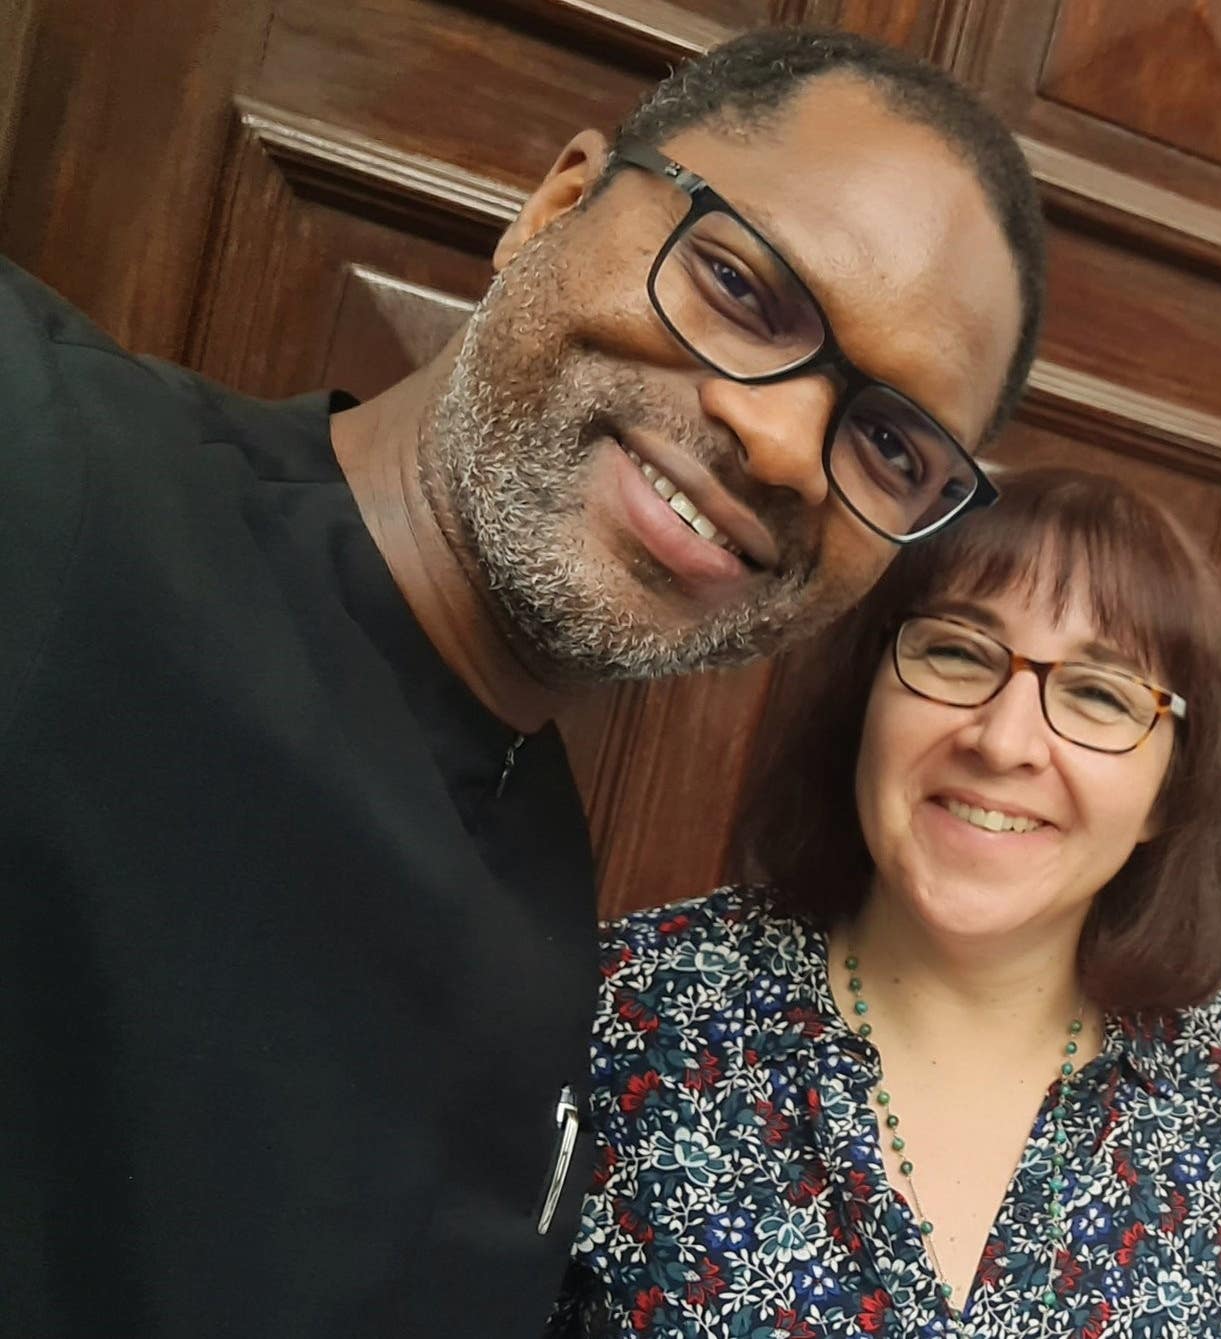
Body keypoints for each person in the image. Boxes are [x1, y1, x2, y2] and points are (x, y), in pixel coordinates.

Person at [0, 27, 1045, 1339]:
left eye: (889, 443)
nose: (780, 441)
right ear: (557, 203)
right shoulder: (52, 480)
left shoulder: (549, 873)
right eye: (739, 285)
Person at [551, 467, 1221, 1337]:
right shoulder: (630, 1007)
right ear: (866, 695)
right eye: (956, 651)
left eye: (1100, 695)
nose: (1003, 740)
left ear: (1169, 793)